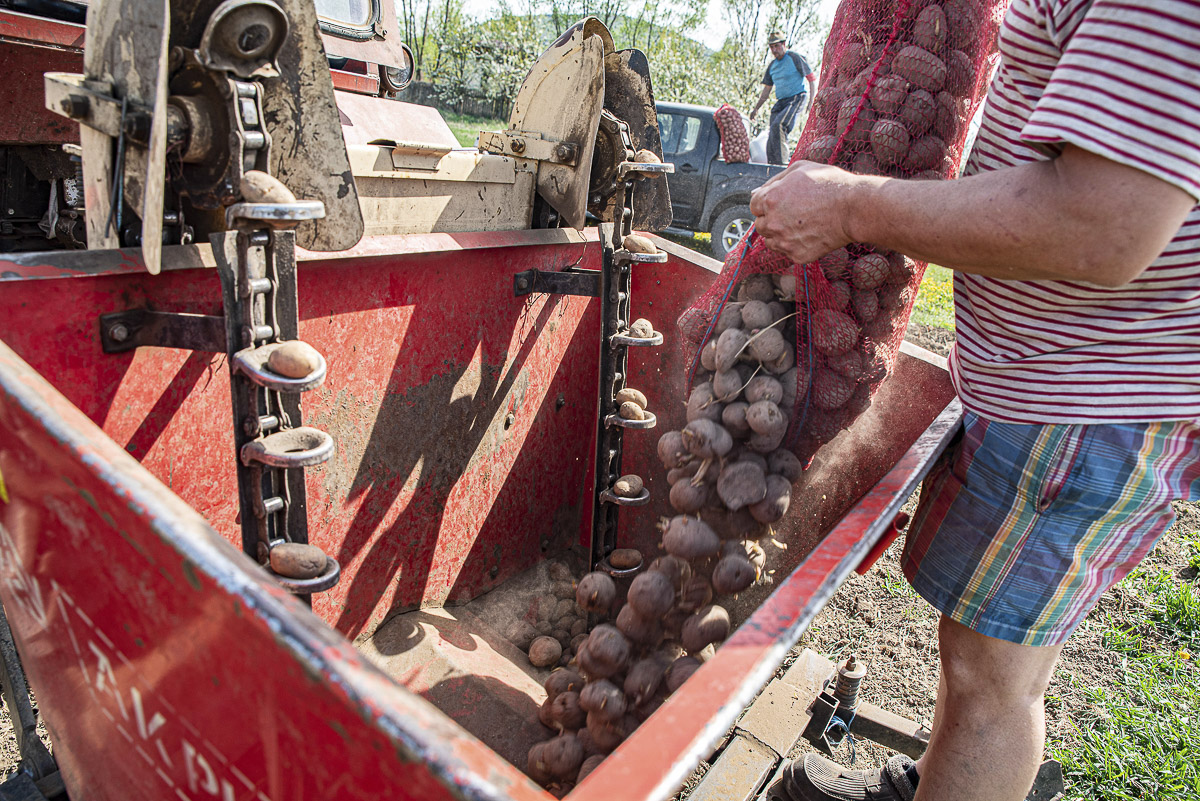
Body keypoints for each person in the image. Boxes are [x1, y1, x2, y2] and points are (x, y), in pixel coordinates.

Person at [747, 0, 1200, 799]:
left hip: (1087, 396)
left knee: (996, 680)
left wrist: (852, 205)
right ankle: (936, 780)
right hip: (1047, 378)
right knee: (978, 652)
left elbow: (1098, 225)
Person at [749, 31, 816, 166]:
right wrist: (756, 108)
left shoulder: (794, 58)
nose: (774, 50)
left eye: (777, 46)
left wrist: (811, 102)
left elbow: (811, 79)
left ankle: (781, 165)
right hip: (781, 101)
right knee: (772, 130)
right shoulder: (772, 66)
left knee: (780, 125)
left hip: (796, 98)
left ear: (784, 44)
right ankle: (770, 165)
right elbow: (766, 90)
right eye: (771, 47)